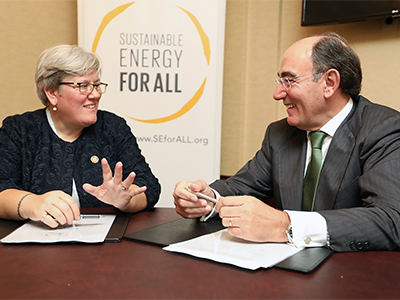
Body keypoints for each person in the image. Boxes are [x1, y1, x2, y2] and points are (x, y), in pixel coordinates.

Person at [173, 32, 400, 252]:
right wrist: (206, 199)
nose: (277, 93)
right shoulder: (279, 134)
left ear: (329, 82)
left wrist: (284, 224)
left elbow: (391, 220)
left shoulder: (383, 129)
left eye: (289, 80)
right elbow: (238, 187)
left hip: (350, 277)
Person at [0, 45, 161, 228]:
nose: (95, 94)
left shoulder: (113, 127)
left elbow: (149, 186)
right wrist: (32, 203)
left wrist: (124, 199)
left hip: (107, 249)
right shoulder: (19, 130)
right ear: (52, 93)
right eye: (83, 86)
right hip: (39, 250)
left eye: (97, 85)